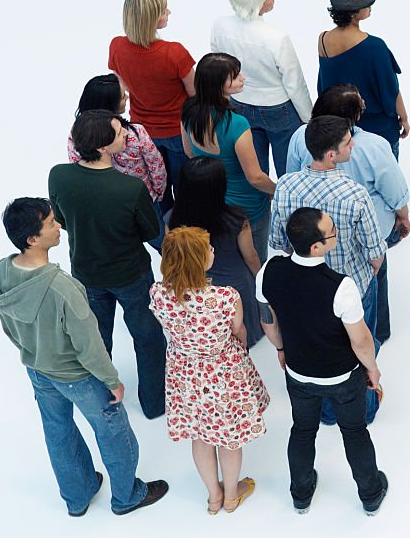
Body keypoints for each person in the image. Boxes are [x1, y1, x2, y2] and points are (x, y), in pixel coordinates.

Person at [0, 198, 169, 516]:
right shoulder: (63, 288)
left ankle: (77, 495)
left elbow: (9, 326)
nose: (59, 227)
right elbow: (90, 346)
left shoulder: (3, 271)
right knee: (114, 429)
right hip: (78, 377)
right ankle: (128, 495)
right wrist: (112, 381)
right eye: (51, 223)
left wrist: (30, 351)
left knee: (57, 430)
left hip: (37, 370)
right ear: (32, 239)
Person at [258, 207, 388, 516]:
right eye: (332, 232)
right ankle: (370, 493)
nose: (337, 234)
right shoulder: (341, 287)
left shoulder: (269, 270)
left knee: (302, 429)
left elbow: (268, 321)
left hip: (298, 372)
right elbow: (361, 340)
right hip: (342, 376)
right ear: (316, 247)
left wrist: (280, 349)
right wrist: (372, 369)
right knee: (354, 431)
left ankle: (301, 494)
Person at [48, 110, 167, 419]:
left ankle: (104, 401)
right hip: (132, 276)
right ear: (102, 147)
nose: (126, 135)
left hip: (86, 274)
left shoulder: (59, 175)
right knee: (149, 338)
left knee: (97, 341)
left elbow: (59, 219)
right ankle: (155, 405)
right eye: (118, 133)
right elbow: (152, 233)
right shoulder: (130, 188)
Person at [271, 115, 387, 423]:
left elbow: (277, 240)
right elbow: (376, 252)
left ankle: (325, 412)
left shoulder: (284, 186)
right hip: (352, 285)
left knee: (315, 350)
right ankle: (364, 407)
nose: (353, 144)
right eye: (348, 142)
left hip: (304, 289)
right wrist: (372, 270)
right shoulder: (355, 194)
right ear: (332, 154)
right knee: (359, 347)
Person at [149, 226, 270, 515]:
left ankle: (213, 496)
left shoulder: (158, 293)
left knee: (200, 435)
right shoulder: (225, 297)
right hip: (222, 371)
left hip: (184, 372)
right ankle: (231, 494)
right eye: (209, 250)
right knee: (228, 436)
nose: (214, 251)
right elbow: (239, 331)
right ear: (199, 260)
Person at [287, 84, 410, 343]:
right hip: (367, 237)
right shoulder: (374, 147)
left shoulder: (301, 137)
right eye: (360, 106)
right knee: (375, 279)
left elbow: (291, 174)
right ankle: (376, 332)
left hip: (313, 237)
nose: (364, 105)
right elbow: (394, 189)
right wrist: (403, 215)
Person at [211, 0, 313, 178]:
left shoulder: (220, 26)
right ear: (257, 1)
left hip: (238, 103)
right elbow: (294, 83)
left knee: (253, 169)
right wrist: (308, 117)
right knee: (289, 169)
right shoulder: (276, 38)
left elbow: (217, 63)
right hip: (278, 107)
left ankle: (259, 205)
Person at [182, 52, 275, 265]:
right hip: (248, 205)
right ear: (217, 85)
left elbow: (189, 153)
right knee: (255, 260)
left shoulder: (188, 112)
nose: (242, 78)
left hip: (211, 200)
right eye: (234, 76)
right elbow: (255, 178)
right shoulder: (236, 124)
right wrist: (277, 190)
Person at [109, 0, 195, 213]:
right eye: (163, 10)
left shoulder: (117, 47)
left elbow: (122, 86)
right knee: (185, 189)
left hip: (142, 132)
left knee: (157, 190)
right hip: (178, 132)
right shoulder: (174, 52)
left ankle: (164, 236)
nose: (169, 12)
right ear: (151, 18)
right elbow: (195, 92)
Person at [169, 157, 264, 348]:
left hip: (194, 286)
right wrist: (260, 279)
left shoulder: (172, 219)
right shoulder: (237, 219)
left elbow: (173, 257)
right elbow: (251, 257)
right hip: (236, 286)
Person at [68, 73, 167, 251]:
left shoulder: (77, 135)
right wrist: (158, 194)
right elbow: (156, 167)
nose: (128, 97)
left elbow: (78, 168)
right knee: (161, 239)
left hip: (108, 205)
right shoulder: (136, 133)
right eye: (122, 96)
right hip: (144, 201)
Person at [317, 0, 410, 158]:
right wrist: (404, 118)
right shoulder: (375, 46)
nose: (370, 8)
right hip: (378, 129)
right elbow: (391, 89)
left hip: (341, 130)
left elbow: (324, 83)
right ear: (354, 13)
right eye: (367, 5)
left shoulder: (323, 39)